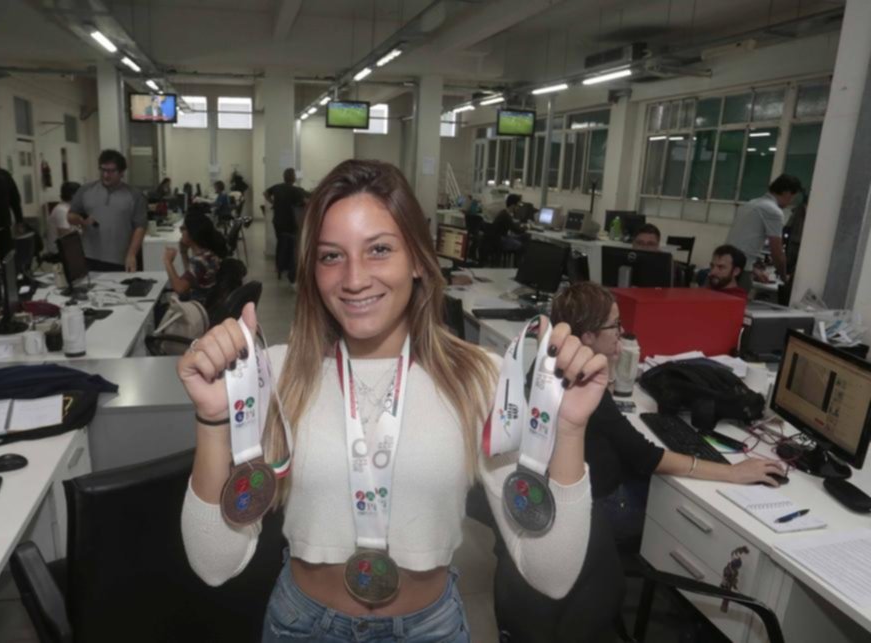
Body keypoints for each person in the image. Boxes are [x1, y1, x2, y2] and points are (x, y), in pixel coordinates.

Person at [179, 159, 607, 642]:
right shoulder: (277, 375)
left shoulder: (478, 378)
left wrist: (569, 430)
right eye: (331, 256)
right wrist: (214, 419)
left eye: (379, 249)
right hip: (303, 626)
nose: (355, 279)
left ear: (419, 260)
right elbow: (214, 563)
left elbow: (552, 575)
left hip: (430, 629)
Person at [550, 282, 785, 540]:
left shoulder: (551, 367)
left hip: (572, 492)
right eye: (614, 325)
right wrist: (732, 472)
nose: (622, 331)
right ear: (588, 338)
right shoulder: (583, 390)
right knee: (681, 510)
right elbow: (646, 456)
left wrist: (609, 363)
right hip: (600, 507)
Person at [67, 150, 147, 272]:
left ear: (121, 172)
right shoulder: (85, 190)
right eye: (103, 170)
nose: (105, 175)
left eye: (111, 171)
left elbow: (140, 227)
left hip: (120, 259)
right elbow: (70, 216)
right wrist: (80, 220)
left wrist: (131, 254)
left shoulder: (135, 195)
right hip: (89, 257)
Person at [725, 174, 802, 290]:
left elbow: (739, 244)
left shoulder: (750, 204)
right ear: (787, 193)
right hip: (739, 273)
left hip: (724, 266)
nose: (790, 202)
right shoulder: (774, 211)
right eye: (792, 198)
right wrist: (784, 279)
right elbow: (777, 252)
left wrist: (754, 270)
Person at [163, 215, 228, 301]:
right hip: (207, 305)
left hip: (197, 307)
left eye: (183, 228)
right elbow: (192, 276)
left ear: (192, 233)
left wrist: (168, 262)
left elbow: (180, 288)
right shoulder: (209, 254)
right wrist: (184, 253)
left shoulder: (199, 261)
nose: (181, 231)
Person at [264, 168, 308, 283]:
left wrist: (273, 202)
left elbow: (265, 193)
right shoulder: (296, 191)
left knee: (281, 243)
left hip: (277, 221)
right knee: (292, 244)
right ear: (293, 178)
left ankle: (279, 266)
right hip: (290, 222)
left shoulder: (277, 187)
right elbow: (305, 202)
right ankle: (289, 267)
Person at [45, 181, 80, 255]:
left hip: (69, 249)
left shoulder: (69, 208)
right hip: (59, 251)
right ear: (73, 195)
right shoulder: (61, 211)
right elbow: (67, 238)